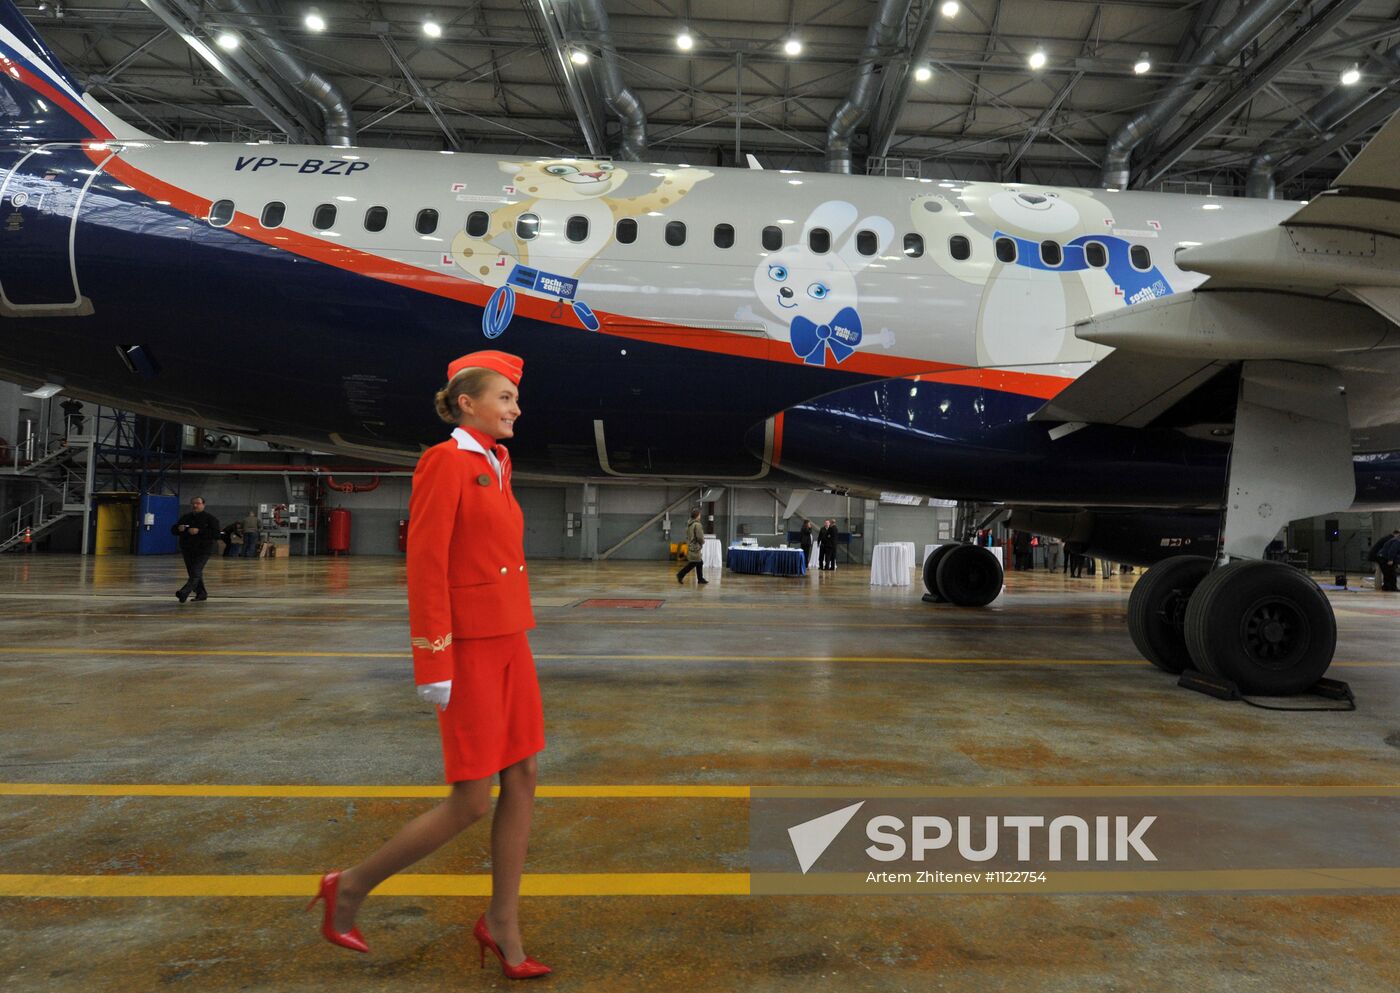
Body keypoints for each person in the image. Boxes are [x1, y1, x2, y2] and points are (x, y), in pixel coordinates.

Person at [310, 350, 550, 979]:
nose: (516, 408)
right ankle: (352, 886)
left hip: (510, 639)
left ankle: (502, 922)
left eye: (515, 398)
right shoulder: (443, 461)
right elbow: (426, 562)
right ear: (467, 402)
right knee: (472, 799)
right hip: (467, 646)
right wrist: (433, 657)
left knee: (523, 776)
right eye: (505, 397)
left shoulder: (497, 461)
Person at [171, 496, 218, 602]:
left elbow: (216, 534)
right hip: (188, 550)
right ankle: (201, 594)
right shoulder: (185, 517)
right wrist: (179, 529)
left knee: (196, 571)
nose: (195, 505)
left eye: (197, 503)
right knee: (194, 573)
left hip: (203, 550)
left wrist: (199, 531)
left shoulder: (210, 519)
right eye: (193, 503)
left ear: (203, 504)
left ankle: (184, 592)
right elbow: (173, 530)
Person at [676, 508, 708, 585]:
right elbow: (699, 537)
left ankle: (700, 579)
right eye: (699, 515)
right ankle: (680, 574)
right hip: (696, 546)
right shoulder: (697, 525)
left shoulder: (690, 524)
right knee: (694, 563)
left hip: (691, 545)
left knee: (699, 562)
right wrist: (702, 542)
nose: (700, 516)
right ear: (697, 516)